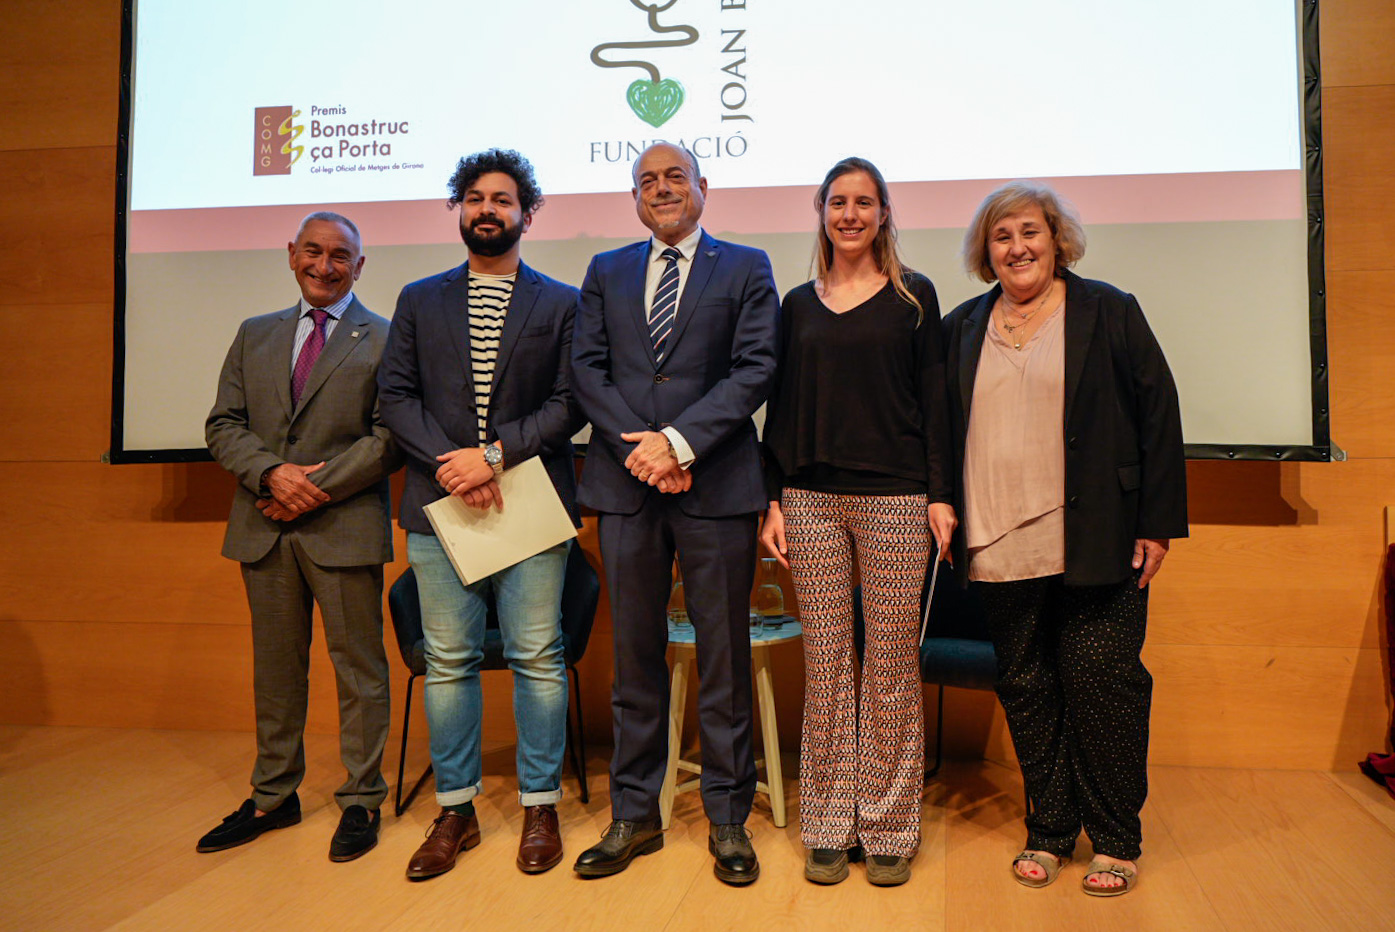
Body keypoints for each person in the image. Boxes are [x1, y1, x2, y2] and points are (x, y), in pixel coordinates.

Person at [941, 181, 1188, 896]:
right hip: (996, 539)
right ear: (985, 252)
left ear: (1055, 239)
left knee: (1101, 680)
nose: (1016, 247)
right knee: (1025, 684)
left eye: (1028, 232)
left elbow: (1158, 415)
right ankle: (1048, 829)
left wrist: (1156, 523)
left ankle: (1113, 838)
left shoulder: (1107, 310)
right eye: (1001, 236)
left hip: (1098, 536)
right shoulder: (961, 327)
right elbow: (939, 433)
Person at [570, 142, 779, 885]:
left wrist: (679, 443)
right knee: (633, 657)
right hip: (626, 486)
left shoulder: (746, 267)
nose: (661, 189)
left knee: (722, 656)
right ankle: (634, 815)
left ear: (703, 187)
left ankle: (727, 818)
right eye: (646, 181)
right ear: (634, 197)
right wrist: (643, 449)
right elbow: (584, 370)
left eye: (674, 177)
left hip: (715, 485)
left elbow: (755, 367)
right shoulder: (605, 271)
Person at [377, 149, 583, 879]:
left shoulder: (561, 302)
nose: (486, 209)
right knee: (450, 662)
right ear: (457, 209)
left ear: (527, 213)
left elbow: (570, 401)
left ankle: (538, 806)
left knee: (536, 656)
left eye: (501, 199)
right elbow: (395, 398)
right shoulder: (417, 298)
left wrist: (491, 457)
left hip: (528, 503)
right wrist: (450, 464)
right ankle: (456, 811)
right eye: (473, 198)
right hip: (439, 508)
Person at [758, 157, 956, 887]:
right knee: (828, 666)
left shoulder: (913, 296)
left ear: (882, 214)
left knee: (892, 667)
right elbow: (779, 409)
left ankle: (889, 828)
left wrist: (939, 493)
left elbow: (934, 398)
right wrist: (771, 498)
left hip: (898, 500)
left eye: (862, 203)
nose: (849, 214)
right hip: (808, 500)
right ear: (820, 210)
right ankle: (828, 824)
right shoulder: (797, 304)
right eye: (836, 202)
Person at [201, 211, 399, 862]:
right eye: (312, 251)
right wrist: (271, 475)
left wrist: (314, 488)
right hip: (263, 526)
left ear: (359, 266)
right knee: (277, 672)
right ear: (291, 254)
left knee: (359, 672)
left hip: (343, 525)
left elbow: (389, 437)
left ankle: (362, 797)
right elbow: (224, 423)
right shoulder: (253, 334)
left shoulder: (386, 339)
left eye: (340, 255)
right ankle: (272, 795)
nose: (324, 264)